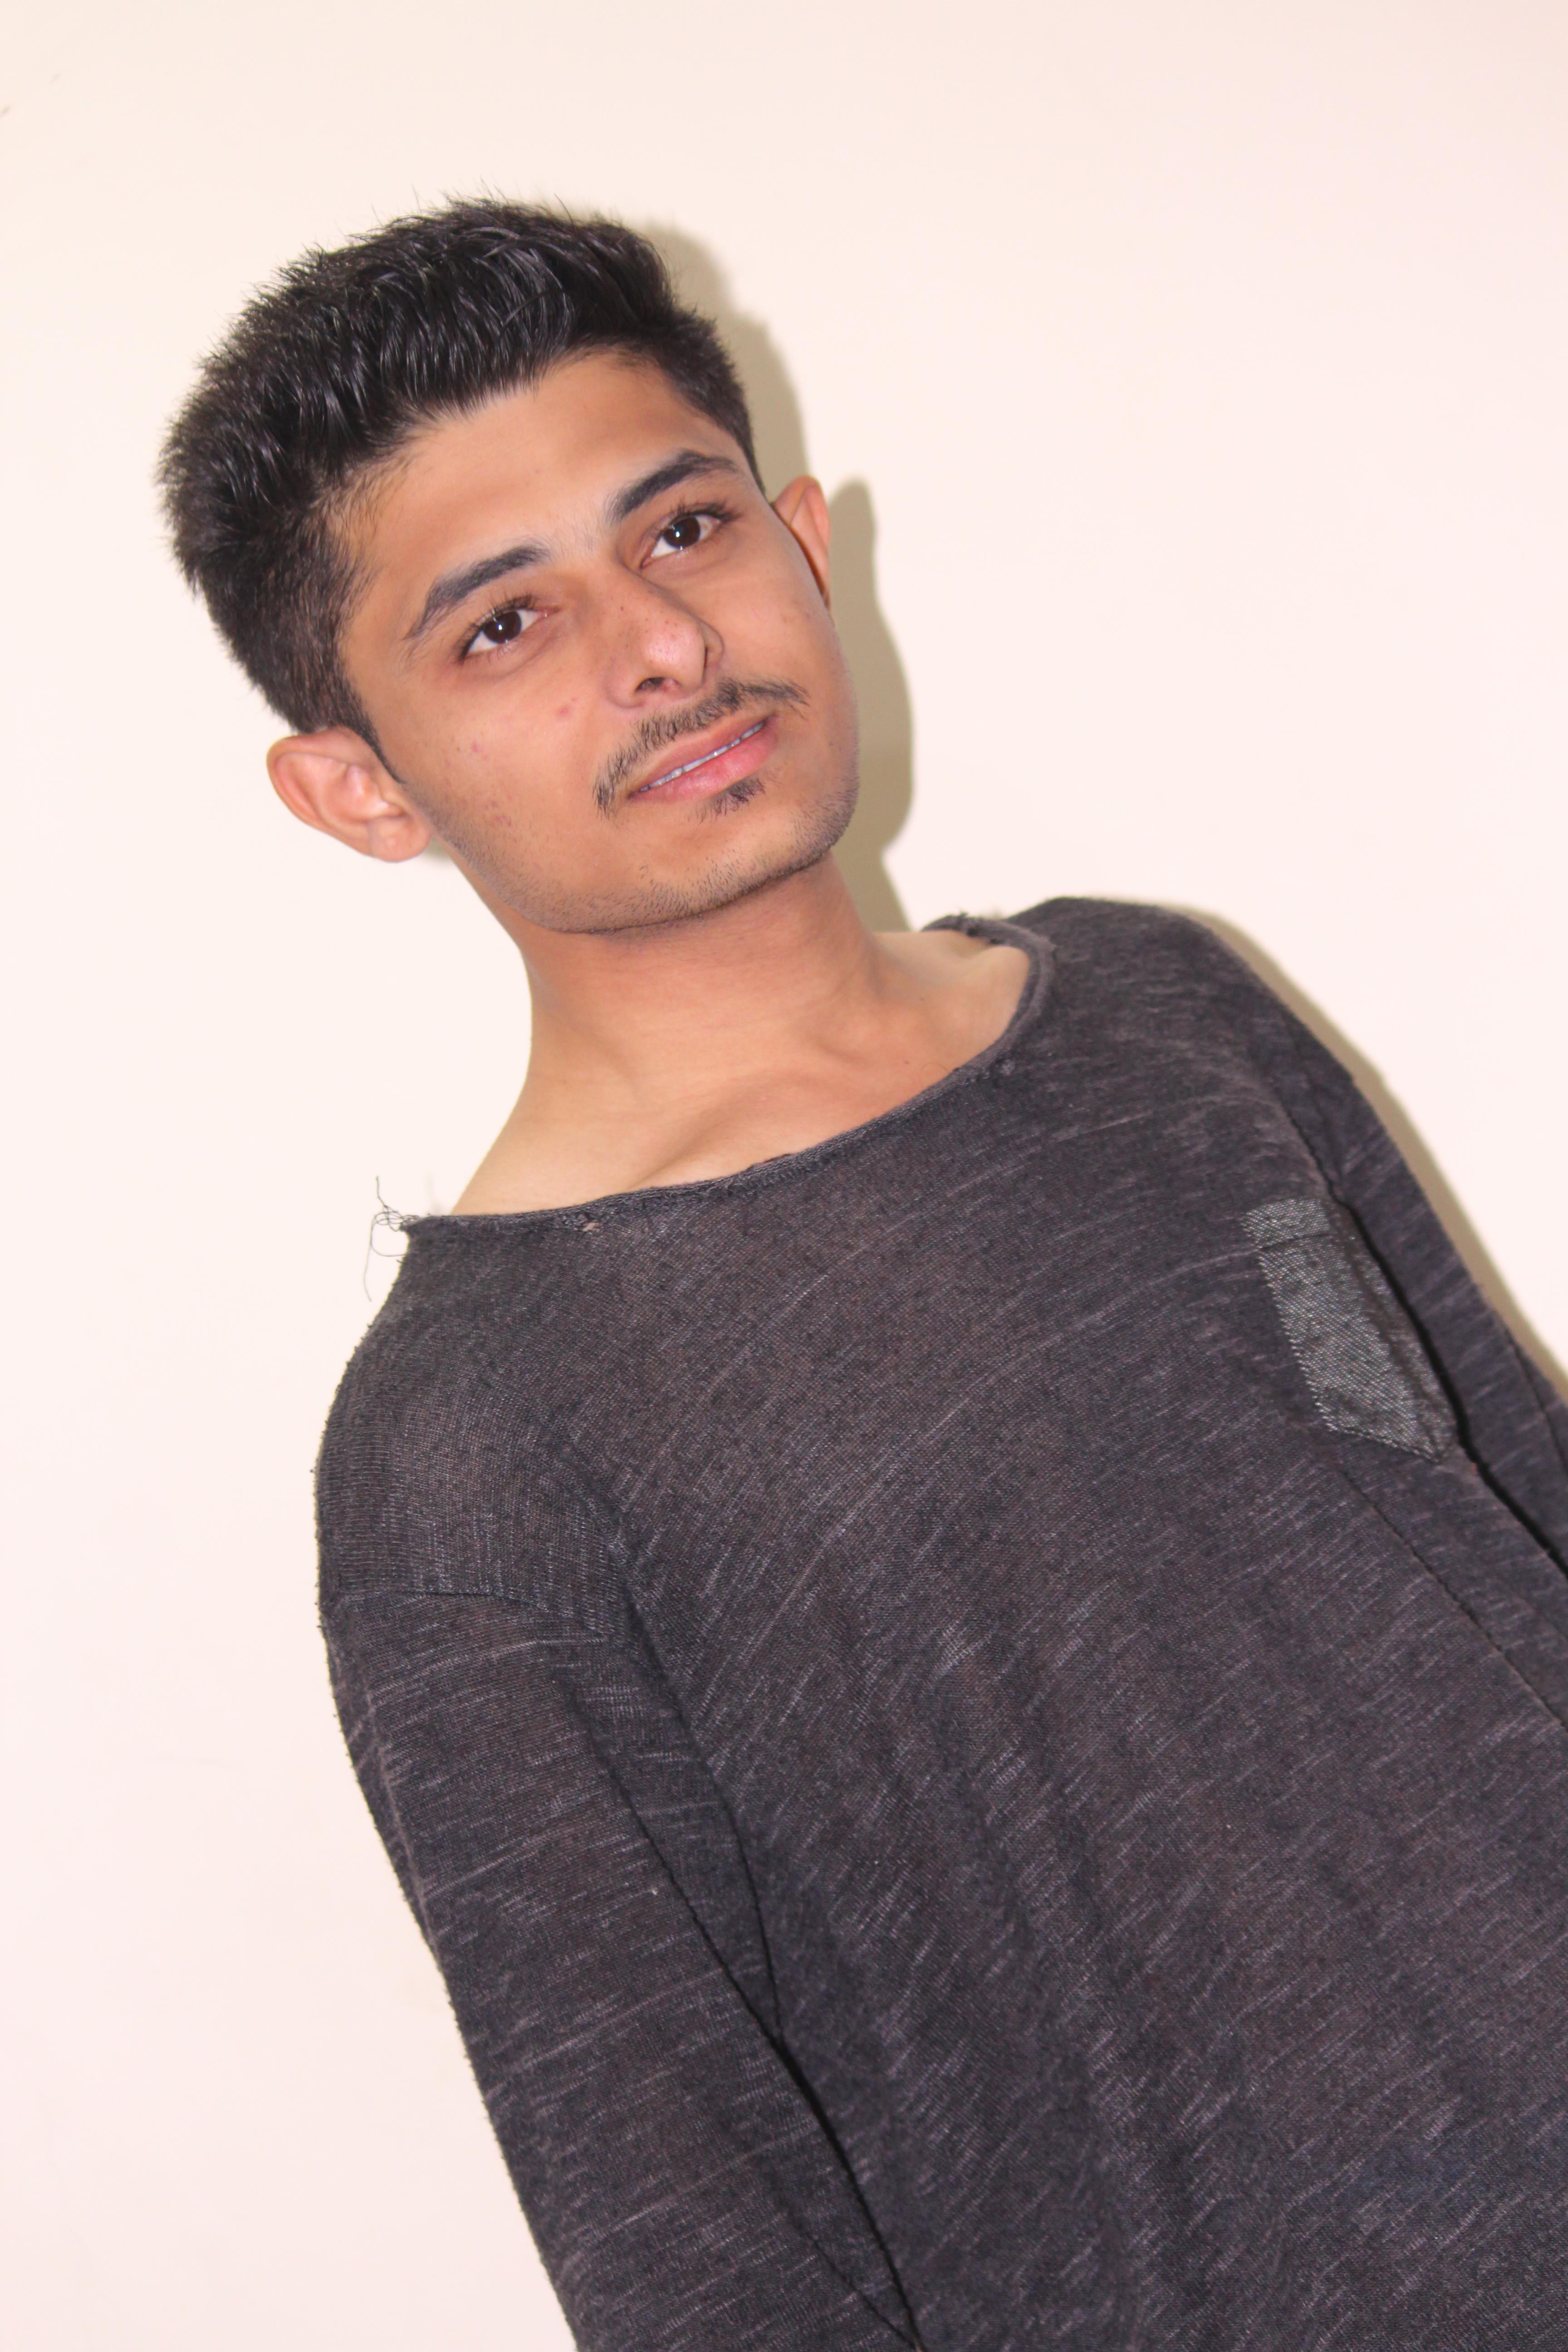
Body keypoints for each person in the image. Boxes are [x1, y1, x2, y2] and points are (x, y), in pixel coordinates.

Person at [160, 201, 1568, 2351]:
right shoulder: (469, 1449)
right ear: (357, 789)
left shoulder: (1163, 999)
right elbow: (687, 2234)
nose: (660, 645)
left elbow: (1522, 1519)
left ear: (805, 542)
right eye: (505, 628)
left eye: (685, 528)